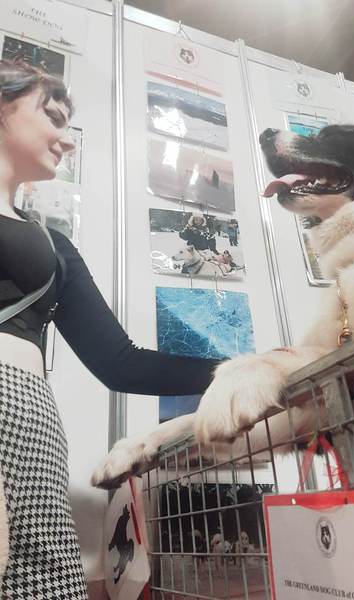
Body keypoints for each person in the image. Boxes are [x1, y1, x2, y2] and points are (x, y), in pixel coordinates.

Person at [0, 60, 220, 598]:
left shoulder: (53, 245)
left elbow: (121, 363)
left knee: (48, 583)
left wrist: (239, 373)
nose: (66, 139)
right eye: (52, 117)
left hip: (34, 427)